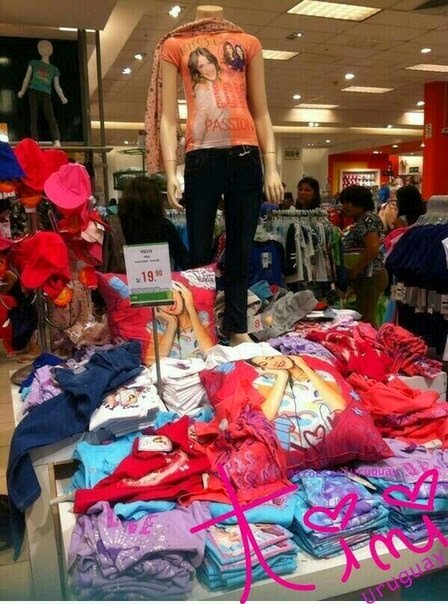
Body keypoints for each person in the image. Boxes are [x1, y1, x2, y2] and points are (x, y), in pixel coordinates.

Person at [151, 4, 284, 347]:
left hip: (246, 155)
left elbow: (261, 110)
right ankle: (200, 328)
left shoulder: (248, 43)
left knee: (240, 249)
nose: (207, 66)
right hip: (201, 157)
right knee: (198, 251)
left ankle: (236, 327)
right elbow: (169, 117)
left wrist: (271, 165)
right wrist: (171, 171)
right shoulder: (175, 45)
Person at [249, 355, 347, 451]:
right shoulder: (266, 380)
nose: (273, 363)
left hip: (328, 438)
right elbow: (265, 417)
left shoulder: (323, 375)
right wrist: (282, 377)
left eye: (271, 357)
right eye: (265, 364)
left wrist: (304, 367)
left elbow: (340, 406)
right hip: (288, 445)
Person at [118, 176, 190, 271]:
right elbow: (183, 259)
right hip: (160, 276)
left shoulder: (121, 225)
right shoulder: (165, 226)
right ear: (155, 200)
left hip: (125, 277)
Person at [340, 185, 388, 327]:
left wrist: (355, 270)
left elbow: (372, 248)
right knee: (366, 317)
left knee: (366, 321)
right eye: (344, 202)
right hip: (368, 275)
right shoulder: (365, 219)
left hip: (370, 275)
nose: (345, 206)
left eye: (349, 202)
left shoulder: (367, 219)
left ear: (360, 202)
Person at [18, 40, 68, 146]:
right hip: (33, 91)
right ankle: (35, 140)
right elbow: (27, 77)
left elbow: (57, 86)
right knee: (34, 116)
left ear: (51, 50)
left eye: (48, 47)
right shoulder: (34, 63)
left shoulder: (54, 69)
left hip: (46, 94)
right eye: (43, 47)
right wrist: (22, 91)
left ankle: (56, 140)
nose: (45, 49)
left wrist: (62, 97)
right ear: (39, 50)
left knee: (50, 117)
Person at [152, 280, 214, 362]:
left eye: (167, 294)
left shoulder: (203, 318)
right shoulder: (158, 325)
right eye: (160, 302)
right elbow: (152, 363)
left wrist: (191, 308)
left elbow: (210, 355)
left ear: (181, 290)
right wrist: (171, 325)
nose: (168, 303)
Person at [187, 47, 231, 148]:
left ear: (214, 62)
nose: (208, 69)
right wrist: (197, 144)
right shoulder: (202, 87)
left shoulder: (218, 85)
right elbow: (201, 116)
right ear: (197, 70)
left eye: (209, 62)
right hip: (208, 147)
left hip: (224, 144)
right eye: (201, 66)